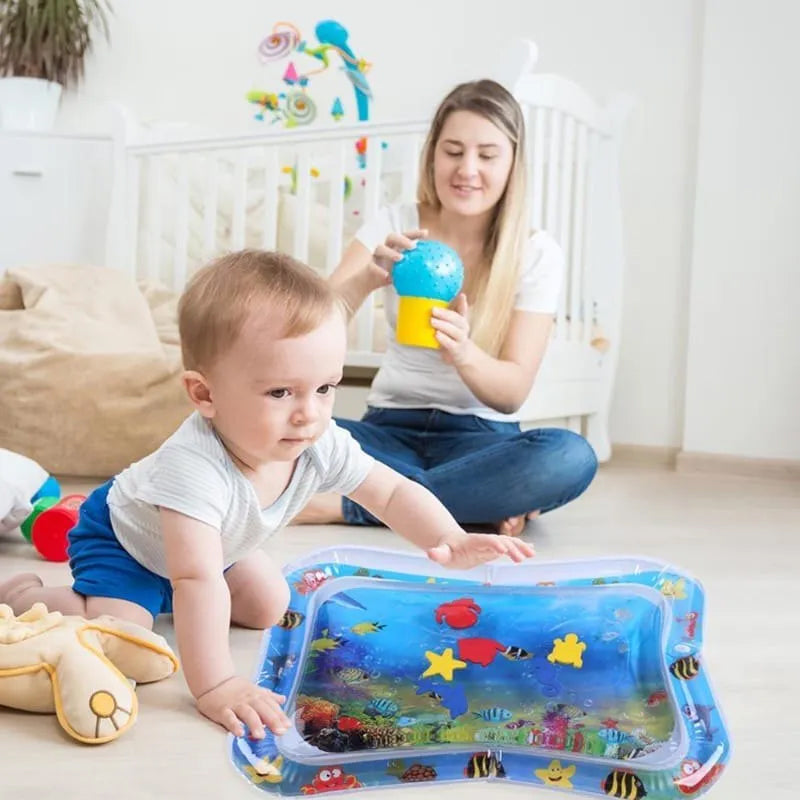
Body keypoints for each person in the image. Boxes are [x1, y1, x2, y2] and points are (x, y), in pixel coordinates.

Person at [0, 250, 533, 741]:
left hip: (215, 547)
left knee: (268, 605)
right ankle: (26, 595)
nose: (309, 412)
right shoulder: (194, 469)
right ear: (204, 394)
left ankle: (162, 599)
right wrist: (216, 687)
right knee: (125, 635)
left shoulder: (315, 437)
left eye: (325, 388)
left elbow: (390, 491)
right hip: (127, 541)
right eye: (281, 392)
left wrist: (449, 536)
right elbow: (196, 578)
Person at [293, 80, 598, 536]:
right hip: (387, 432)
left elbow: (512, 392)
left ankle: (350, 504)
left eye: (487, 155)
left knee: (569, 456)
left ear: (513, 163)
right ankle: (470, 502)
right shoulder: (395, 222)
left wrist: (465, 354)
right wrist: (366, 278)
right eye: (453, 151)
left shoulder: (536, 253)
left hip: (480, 441)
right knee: (272, 428)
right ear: (432, 154)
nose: (467, 169)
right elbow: (313, 330)